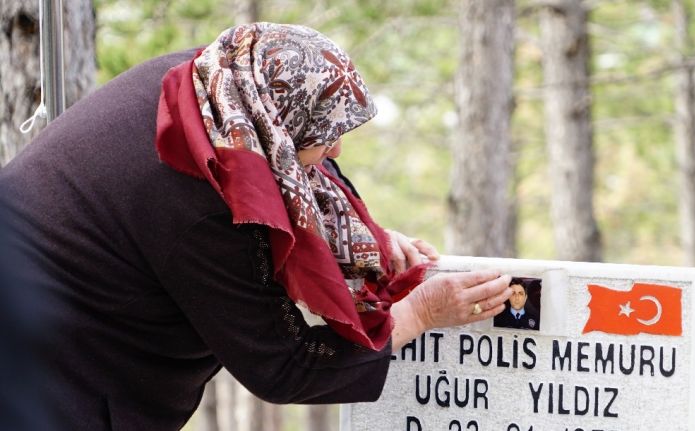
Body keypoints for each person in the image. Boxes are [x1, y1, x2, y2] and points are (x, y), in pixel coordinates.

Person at [0, 23, 512, 430]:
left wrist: (366, 237)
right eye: (325, 135)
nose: (336, 150)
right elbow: (284, 367)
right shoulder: (201, 203)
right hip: (49, 369)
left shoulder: (220, 81)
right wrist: (418, 314)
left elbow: (293, 166)